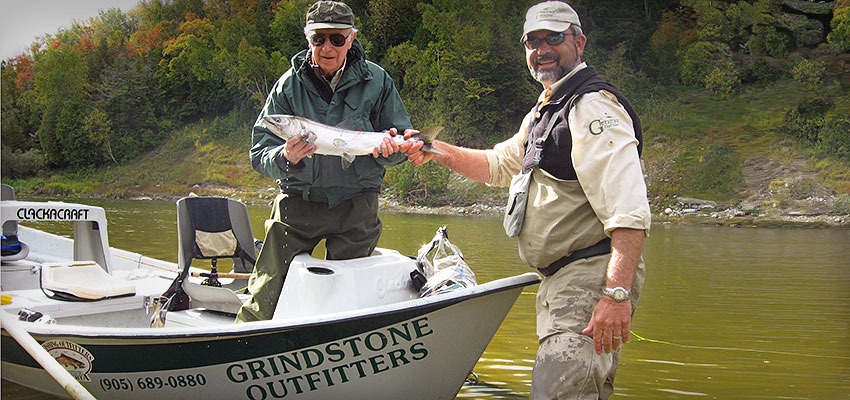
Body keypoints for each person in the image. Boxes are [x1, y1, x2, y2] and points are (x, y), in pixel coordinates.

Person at [402, 1, 650, 398]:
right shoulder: (546, 110)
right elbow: (498, 165)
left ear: (579, 42)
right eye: (532, 41)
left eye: (554, 38)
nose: (542, 49)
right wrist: (437, 150)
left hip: (589, 280)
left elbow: (630, 211)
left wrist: (616, 295)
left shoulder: (592, 107)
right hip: (558, 283)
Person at [237, 0, 413, 323]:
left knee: (350, 303)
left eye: (336, 38)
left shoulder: (378, 82)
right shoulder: (287, 87)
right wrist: (285, 157)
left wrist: (396, 148)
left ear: (352, 38)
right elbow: (260, 151)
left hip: (356, 209)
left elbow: (402, 143)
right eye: (319, 39)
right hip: (297, 207)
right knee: (264, 295)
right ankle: (242, 347)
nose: (327, 47)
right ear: (308, 39)